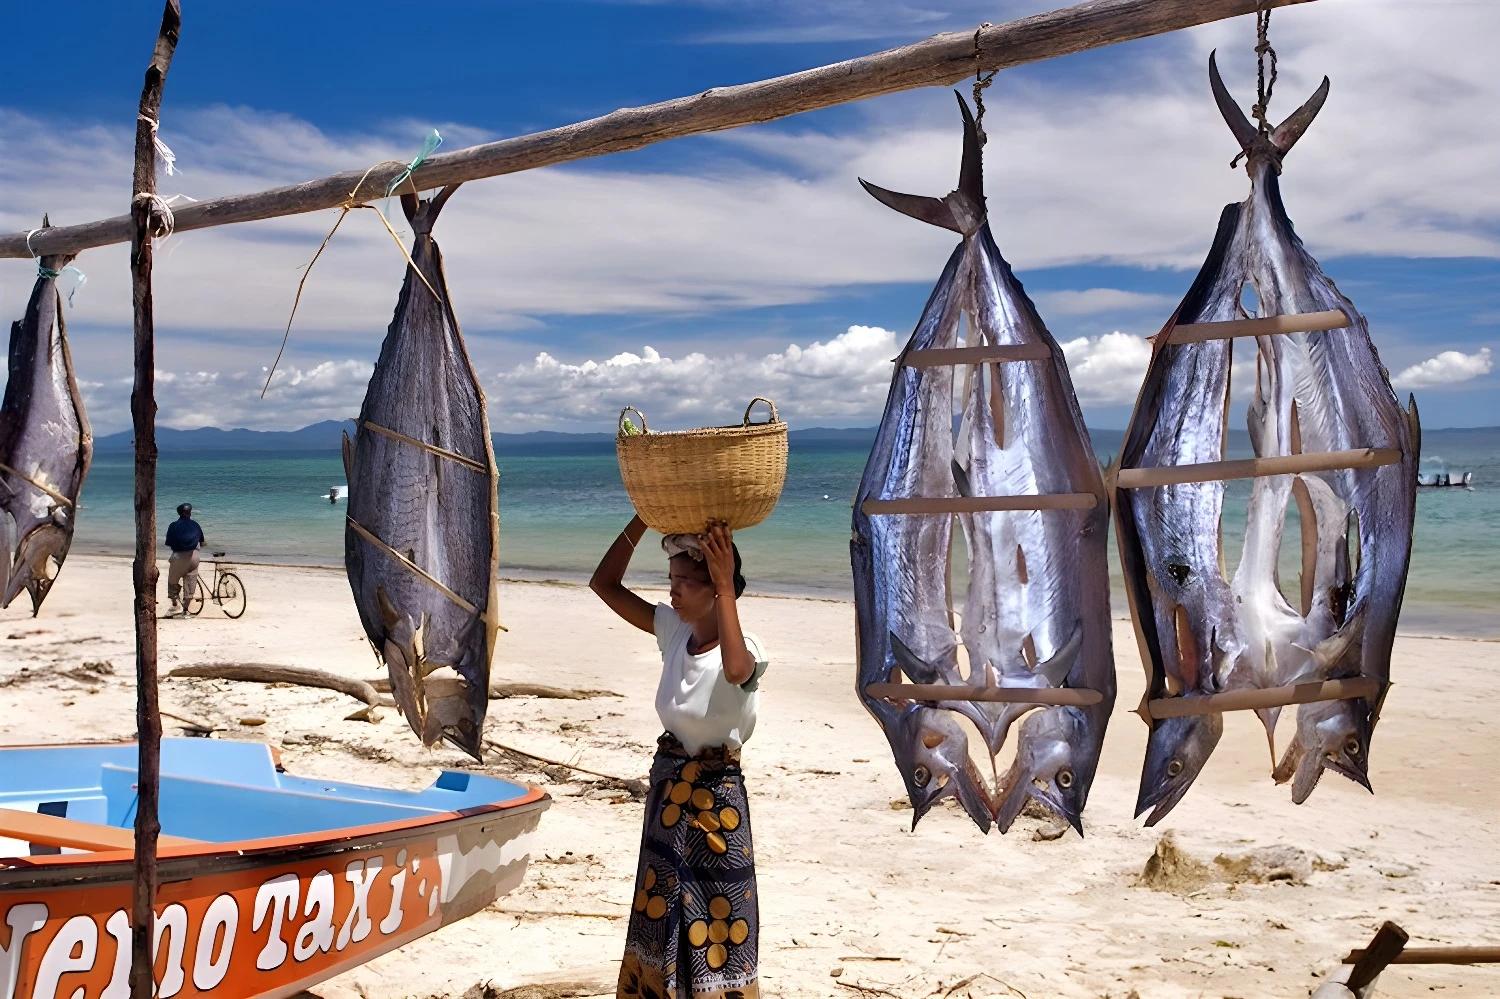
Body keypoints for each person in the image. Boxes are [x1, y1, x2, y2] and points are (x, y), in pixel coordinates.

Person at [591, 515, 768, 999]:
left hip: (717, 807)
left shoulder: (746, 648)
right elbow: (603, 584)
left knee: (720, 916)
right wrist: (641, 522)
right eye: (671, 582)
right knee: (659, 908)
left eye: (686, 584)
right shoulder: (674, 632)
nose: (673, 594)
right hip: (669, 797)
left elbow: (735, 669)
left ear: (716, 587)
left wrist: (727, 586)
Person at [164, 502, 205, 616]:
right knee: (190, 581)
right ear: (190, 513)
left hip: (179, 557)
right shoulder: (196, 525)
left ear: (179, 513)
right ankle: (186, 609)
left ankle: (175, 605)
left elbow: (168, 543)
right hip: (194, 557)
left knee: (172, 581)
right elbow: (202, 541)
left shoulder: (173, 525)